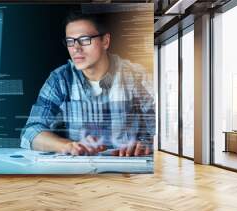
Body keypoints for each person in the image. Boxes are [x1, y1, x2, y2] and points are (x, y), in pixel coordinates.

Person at [20, 11, 155, 156]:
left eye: (84, 39)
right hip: (80, 173)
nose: (76, 48)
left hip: (129, 172)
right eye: (70, 41)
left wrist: (146, 144)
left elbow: (166, 131)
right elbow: (30, 132)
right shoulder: (60, 79)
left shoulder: (137, 76)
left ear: (105, 41)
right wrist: (68, 146)